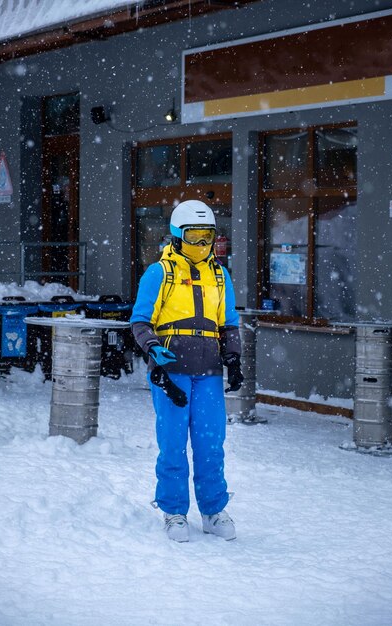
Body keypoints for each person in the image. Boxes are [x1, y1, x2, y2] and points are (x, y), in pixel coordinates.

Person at [131, 200, 243, 542]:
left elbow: (230, 324)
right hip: (171, 371)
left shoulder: (220, 276)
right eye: (194, 236)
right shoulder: (159, 273)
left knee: (211, 443)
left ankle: (213, 509)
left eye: (207, 236)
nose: (201, 244)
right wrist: (153, 350)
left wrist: (234, 358)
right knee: (173, 443)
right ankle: (174, 512)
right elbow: (139, 320)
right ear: (178, 237)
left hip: (208, 370)